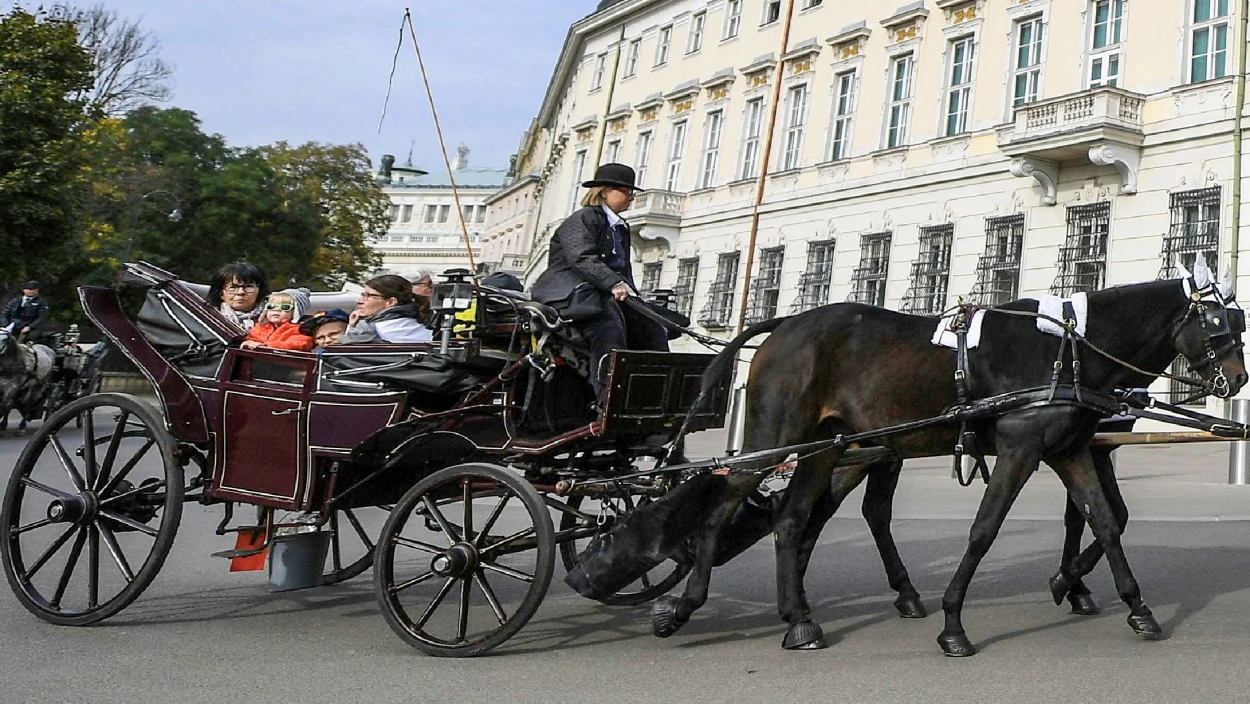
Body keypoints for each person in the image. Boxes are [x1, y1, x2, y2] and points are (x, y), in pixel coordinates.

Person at [529, 163, 668, 400]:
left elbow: (623, 270)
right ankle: (608, 399)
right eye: (626, 191)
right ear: (605, 192)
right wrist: (613, 283)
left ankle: (655, 395)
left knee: (654, 327)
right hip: (569, 294)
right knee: (608, 328)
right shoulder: (583, 218)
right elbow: (581, 257)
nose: (631, 197)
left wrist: (633, 296)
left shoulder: (619, 227)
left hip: (599, 293)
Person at [340, 274, 434, 344]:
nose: (359, 301)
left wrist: (352, 327)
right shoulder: (431, 329)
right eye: (363, 295)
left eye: (369, 296)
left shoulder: (368, 330)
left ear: (391, 302)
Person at [240, 288, 314, 351]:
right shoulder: (261, 327)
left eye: (285, 307)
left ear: (295, 312)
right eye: (271, 306)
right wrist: (249, 342)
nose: (276, 310)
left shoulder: (301, 329)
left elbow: (300, 343)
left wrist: (266, 346)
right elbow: (252, 337)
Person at [205, 262, 270, 332]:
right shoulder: (210, 320)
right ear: (221, 294)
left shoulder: (275, 316)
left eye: (248, 286)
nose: (240, 292)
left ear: (259, 290)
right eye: (233, 287)